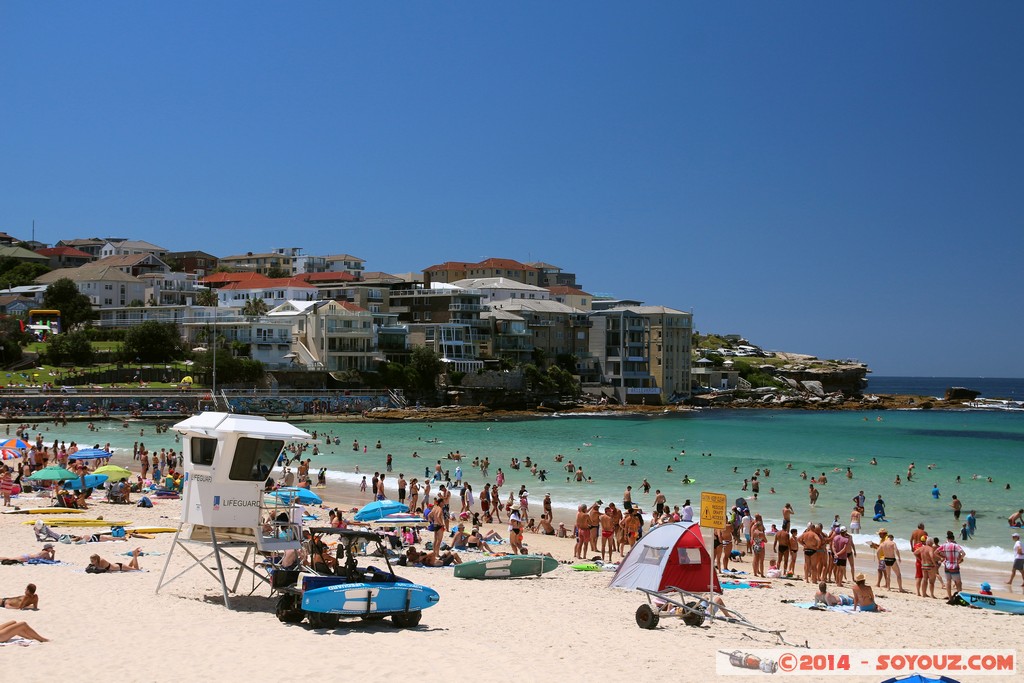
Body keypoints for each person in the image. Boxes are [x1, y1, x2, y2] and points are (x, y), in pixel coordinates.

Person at [937, 531, 966, 599]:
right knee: (958, 582)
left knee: (948, 582)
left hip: (947, 564)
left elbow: (937, 552)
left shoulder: (945, 544)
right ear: (953, 538)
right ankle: (959, 596)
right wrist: (959, 560)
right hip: (954, 565)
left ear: (947, 538)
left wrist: (943, 557)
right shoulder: (955, 544)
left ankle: (950, 597)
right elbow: (962, 553)